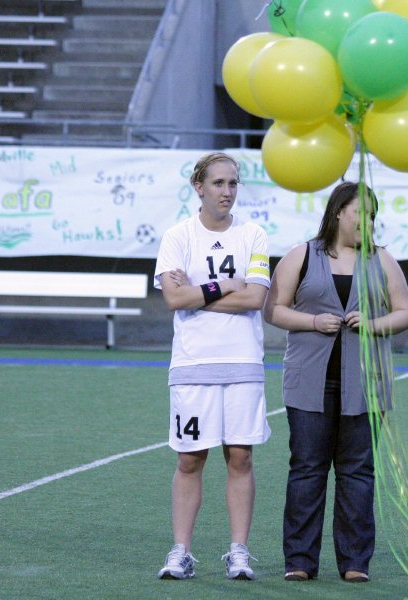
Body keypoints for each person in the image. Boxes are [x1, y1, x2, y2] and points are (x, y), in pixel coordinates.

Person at [263, 181, 408, 583]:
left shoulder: (382, 260)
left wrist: (374, 324)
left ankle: (354, 562)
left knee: (358, 473)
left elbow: (405, 313)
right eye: (360, 213)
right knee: (307, 470)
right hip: (308, 385)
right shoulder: (302, 255)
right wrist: (313, 321)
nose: (367, 221)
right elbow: (274, 309)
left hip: (366, 385)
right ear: (337, 213)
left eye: (372, 215)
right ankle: (299, 560)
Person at [154, 152, 271, 581]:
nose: (227, 191)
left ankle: (238, 552)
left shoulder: (254, 235)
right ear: (198, 186)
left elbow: (255, 299)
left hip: (242, 363)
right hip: (192, 364)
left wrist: (198, 293)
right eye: (219, 183)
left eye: (233, 184)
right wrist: (224, 284)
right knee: (190, 459)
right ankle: (180, 552)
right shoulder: (177, 237)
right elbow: (173, 299)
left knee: (240, 457)